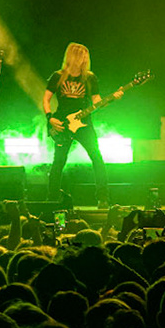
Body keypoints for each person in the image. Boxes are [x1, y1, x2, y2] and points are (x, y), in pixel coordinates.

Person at [44, 42, 109, 206]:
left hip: (84, 124)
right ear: (73, 57)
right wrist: (50, 118)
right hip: (62, 123)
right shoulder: (58, 76)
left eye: (86, 57)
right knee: (58, 162)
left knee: (97, 158)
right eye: (81, 56)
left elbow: (96, 100)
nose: (84, 59)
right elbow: (46, 99)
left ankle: (102, 198)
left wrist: (109, 100)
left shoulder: (90, 78)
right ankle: (52, 199)